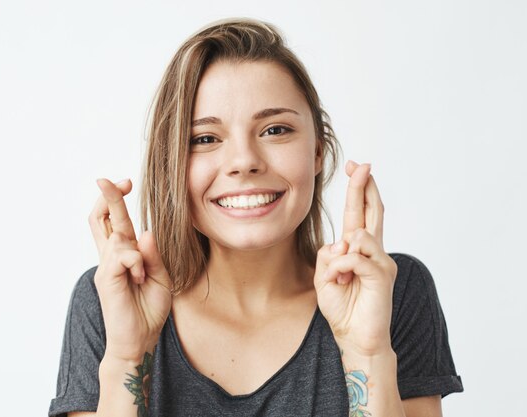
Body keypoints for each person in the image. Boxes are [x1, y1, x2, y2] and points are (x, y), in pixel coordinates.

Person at [48, 17, 463, 417]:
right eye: (205, 139)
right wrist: (126, 353)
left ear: (318, 150)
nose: (244, 161)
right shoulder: (110, 300)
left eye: (275, 130)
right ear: (171, 164)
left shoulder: (392, 291)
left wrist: (368, 353)